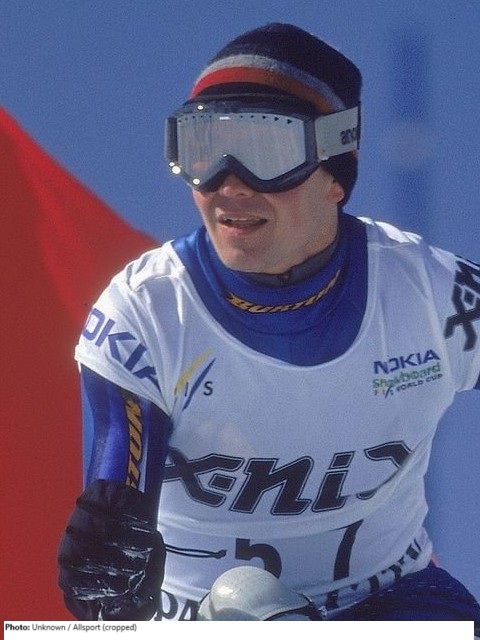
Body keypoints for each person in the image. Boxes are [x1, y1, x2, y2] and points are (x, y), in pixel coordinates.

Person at [57, 22, 480, 626]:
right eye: (202, 149)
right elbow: (112, 526)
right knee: (245, 597)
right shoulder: (149, 314)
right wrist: (106, 558)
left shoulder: (431, 296)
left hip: (393, 600)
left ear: (336, 172)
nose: (229, 184)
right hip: (200, 621)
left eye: (268, 152)